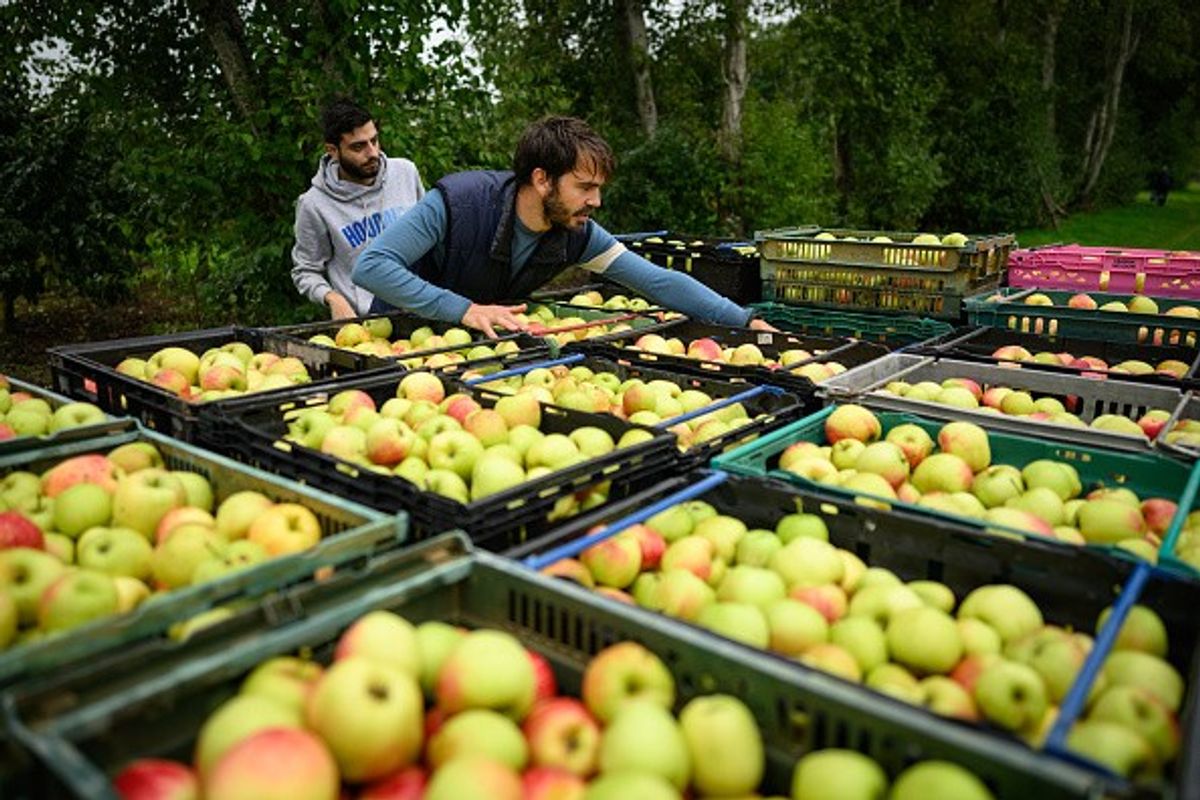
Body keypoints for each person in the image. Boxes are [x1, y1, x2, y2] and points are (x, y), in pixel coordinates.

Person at [352, 115, 775, 337]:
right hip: (398, 338)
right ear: (542, 179)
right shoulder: (458, 204)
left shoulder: (577, 233)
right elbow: (371, 267)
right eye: (585, 187)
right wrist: (464, 309)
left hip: (467, 349)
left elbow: (659, 282)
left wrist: (742, 320)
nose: (596, 201)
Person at [292, 99, 426, 319]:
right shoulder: (314, 204)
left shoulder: (405, 173)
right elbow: (306, 270)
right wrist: (333, 299)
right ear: (332, 150)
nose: (372, 153)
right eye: (358, 146)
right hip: (369, 325)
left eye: (374, 141)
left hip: (423, 309)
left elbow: (430, 236)